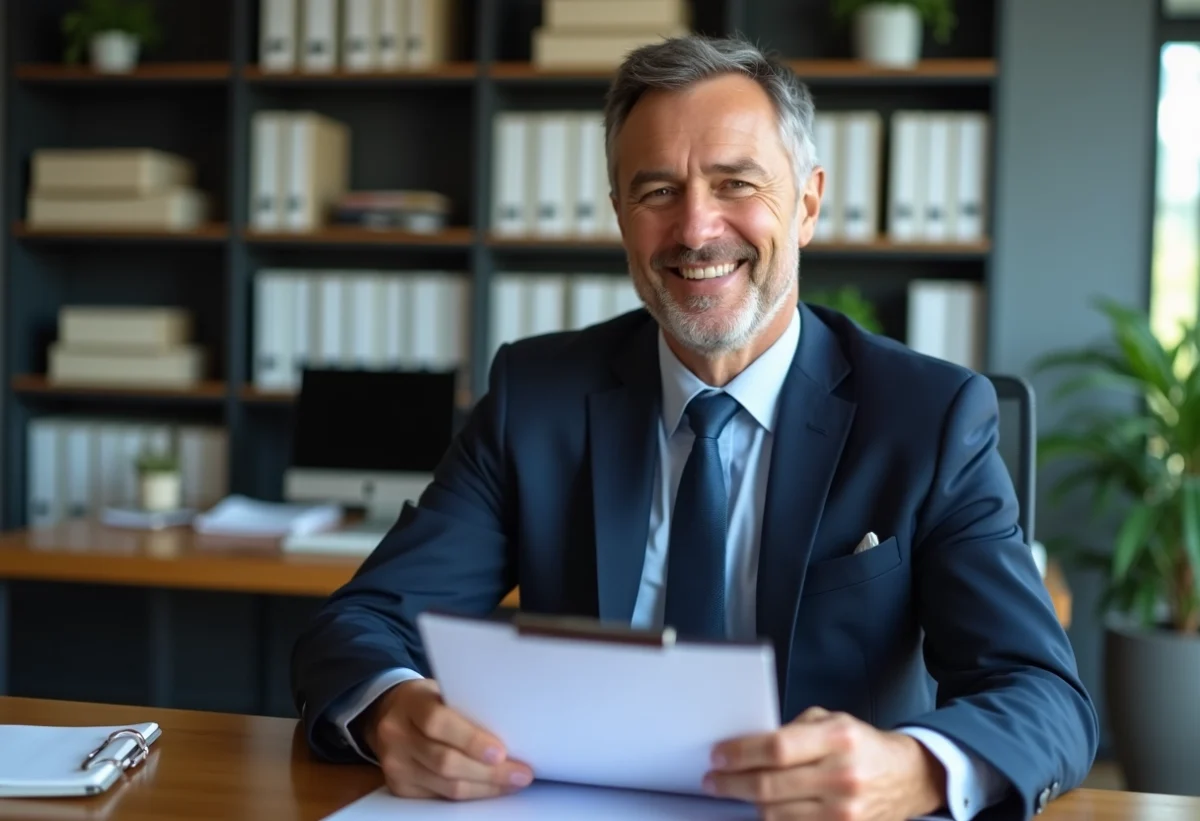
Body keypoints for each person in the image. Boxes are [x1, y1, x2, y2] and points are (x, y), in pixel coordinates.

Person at [291, 34, 1097, 821]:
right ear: (620, 217)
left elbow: (1043, 695)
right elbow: (359, 622)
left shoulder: (928, 417)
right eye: (658, 192)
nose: (696, 229)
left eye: (736, 183)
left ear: (808, 202)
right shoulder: (536, 397)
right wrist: (392, 709)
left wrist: (916, 766)